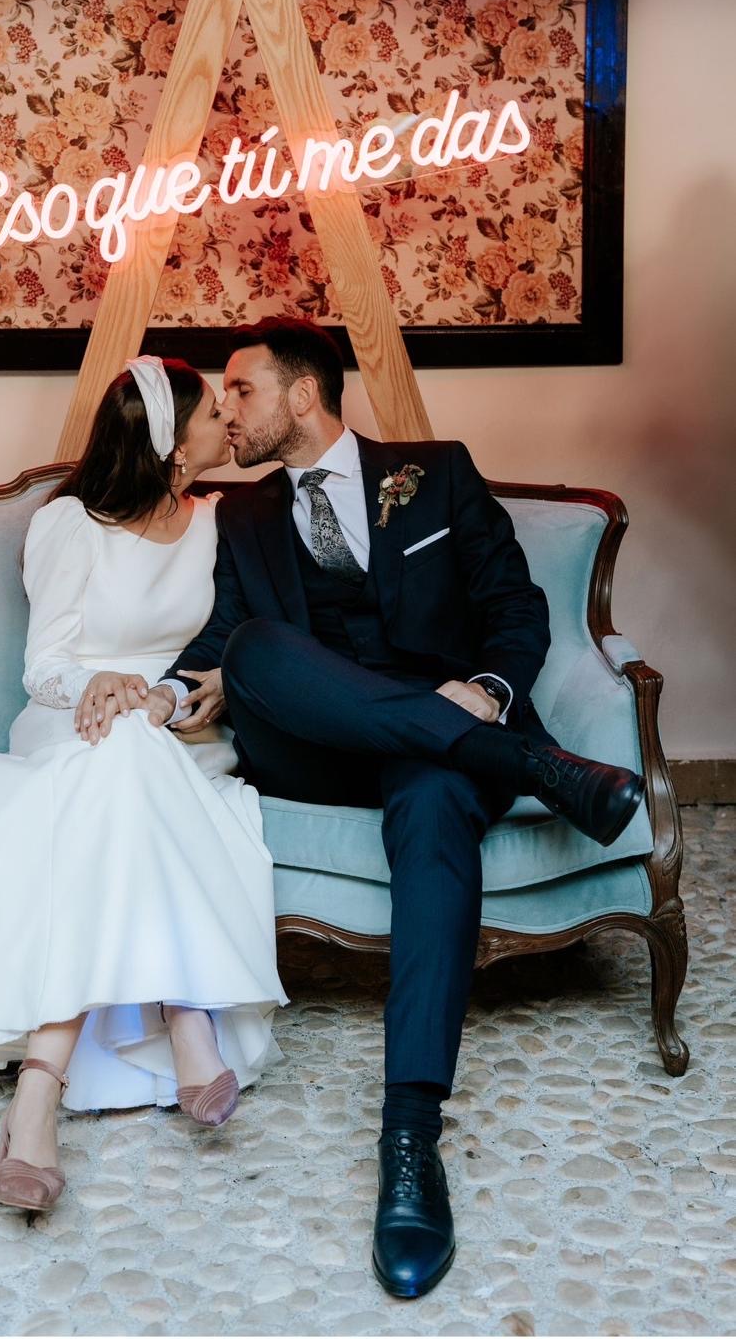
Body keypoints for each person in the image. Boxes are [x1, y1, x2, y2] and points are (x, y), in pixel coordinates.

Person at [138, 316, 645, 1300]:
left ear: (302, 394)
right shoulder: (240, 517)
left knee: (435, 796)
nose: (224, 408)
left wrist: (488, 690)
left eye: (240, 388)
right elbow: (214, 641)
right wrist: (160, 693)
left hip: (442, 743)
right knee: (253, 650)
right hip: (319, 750)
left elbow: (514, 606)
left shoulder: (436, 473)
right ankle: (537, 768)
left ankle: (409, 1142)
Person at [0, 355, 290, 1215]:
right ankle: (185, 1014)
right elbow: (44, 667)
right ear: (174, 443)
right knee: (118, 751)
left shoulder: (223, 521)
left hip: (180, 732)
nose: (229, 420)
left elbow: (237, 636)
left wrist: (200, 689)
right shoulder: (70, 524)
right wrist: (98, 683)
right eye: (212, 412)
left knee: (134, 750)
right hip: (73, 721)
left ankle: (40, 1089)